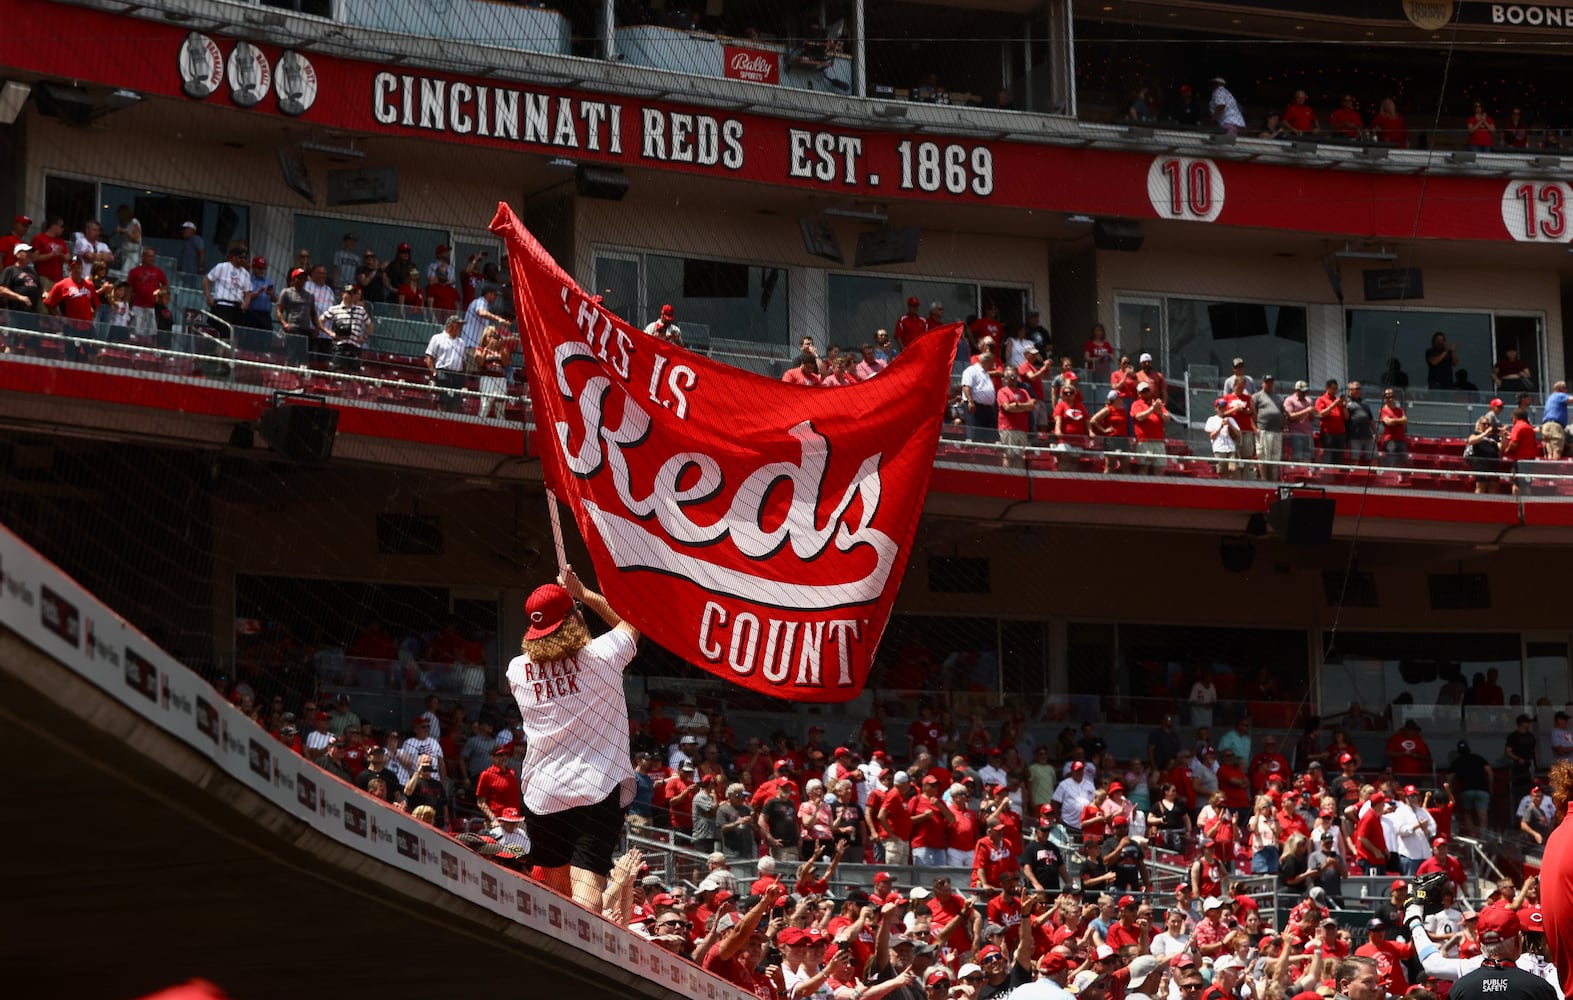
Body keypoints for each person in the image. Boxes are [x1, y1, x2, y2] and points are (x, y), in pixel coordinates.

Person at [504, 565, 640, 910]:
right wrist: (584, 594)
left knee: (552, 894)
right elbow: (632, 622)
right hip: (594, 788)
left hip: (543, 793)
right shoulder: (602, 657)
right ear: (573, 620)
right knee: (587, 894)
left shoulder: (517, 670)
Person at [961, 351, 1001, 443]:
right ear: (985, 361)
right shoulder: (971, 371)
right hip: (975, 406)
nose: (993, 364)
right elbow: (966, 386)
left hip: (987, 408)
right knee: (976, 434)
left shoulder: (985, 373)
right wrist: (970, 401)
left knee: (989, 434)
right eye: (992, 362)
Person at [1205, 397, 1240, 478]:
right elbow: (1212, 436)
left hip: (1230, 447)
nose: (1222, 409)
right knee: (1221, 471)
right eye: (1220, 407)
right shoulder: (1212, 419)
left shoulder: (1230, 419)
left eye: (1224, 407)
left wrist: (1230, 425)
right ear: (1216, 408)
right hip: (1219, 448)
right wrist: (1220, 427)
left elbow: (1238, 433)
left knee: (1233, 469)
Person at [1379, 389, 1409, 468]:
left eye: (1392, 396)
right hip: (1390, 441)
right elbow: (1388, 422)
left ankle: (1401, 478)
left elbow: (1405, 420)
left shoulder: (1400, 410)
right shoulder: (1383, 410)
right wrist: (1400, 421)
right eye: (1388, 397)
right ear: (1384, 398)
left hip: (1401, 439)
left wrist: (1394, 421)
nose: (1390, 399)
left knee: (1403, 461)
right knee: (1391, 462)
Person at [1540, 381, 1571, 459]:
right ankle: (1557, 471)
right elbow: (1571, 399)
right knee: (1557, 451)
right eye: (1565, 388)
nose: (1566, 391)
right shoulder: (1559, 395)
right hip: (1555, 426)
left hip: (1546, 426)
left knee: (1550, 454)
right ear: (1559, 389)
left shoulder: (1550, 397)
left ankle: (1550, 470)